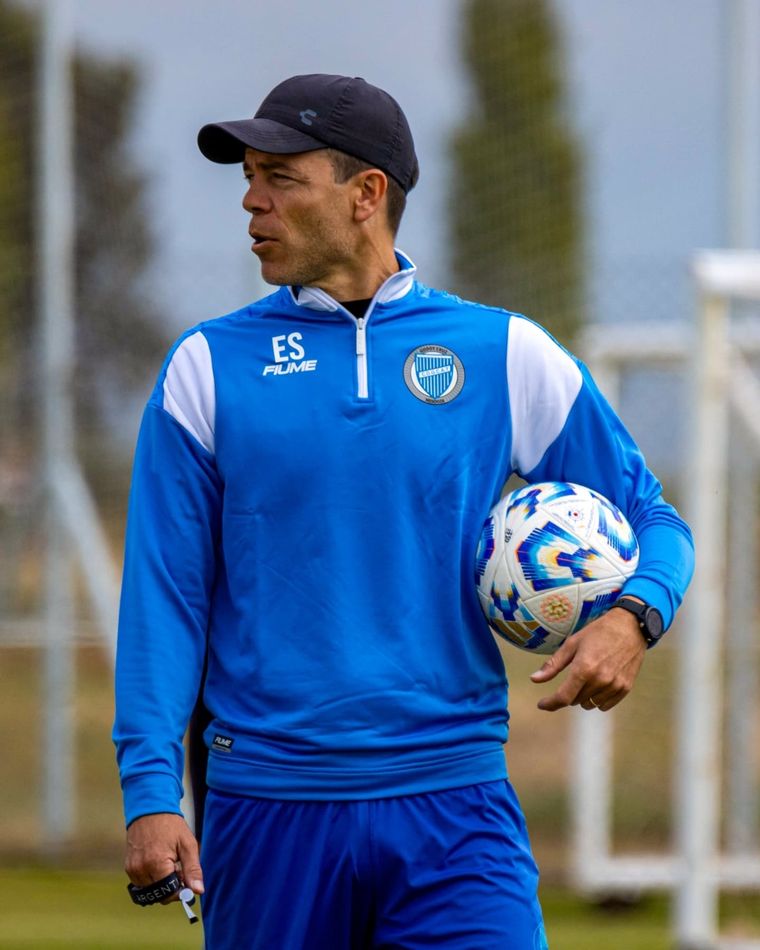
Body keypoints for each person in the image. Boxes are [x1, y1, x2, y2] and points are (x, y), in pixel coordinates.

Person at [113, 73, 694, 949]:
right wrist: (152, 791)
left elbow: (656, 521)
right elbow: (165, 598)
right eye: (249, 177)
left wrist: (632, 617)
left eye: (280, 177)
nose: (251, 200)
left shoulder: (502, 353)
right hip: (269, 808)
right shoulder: (205, 369)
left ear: (366, 195)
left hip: (456, 806)